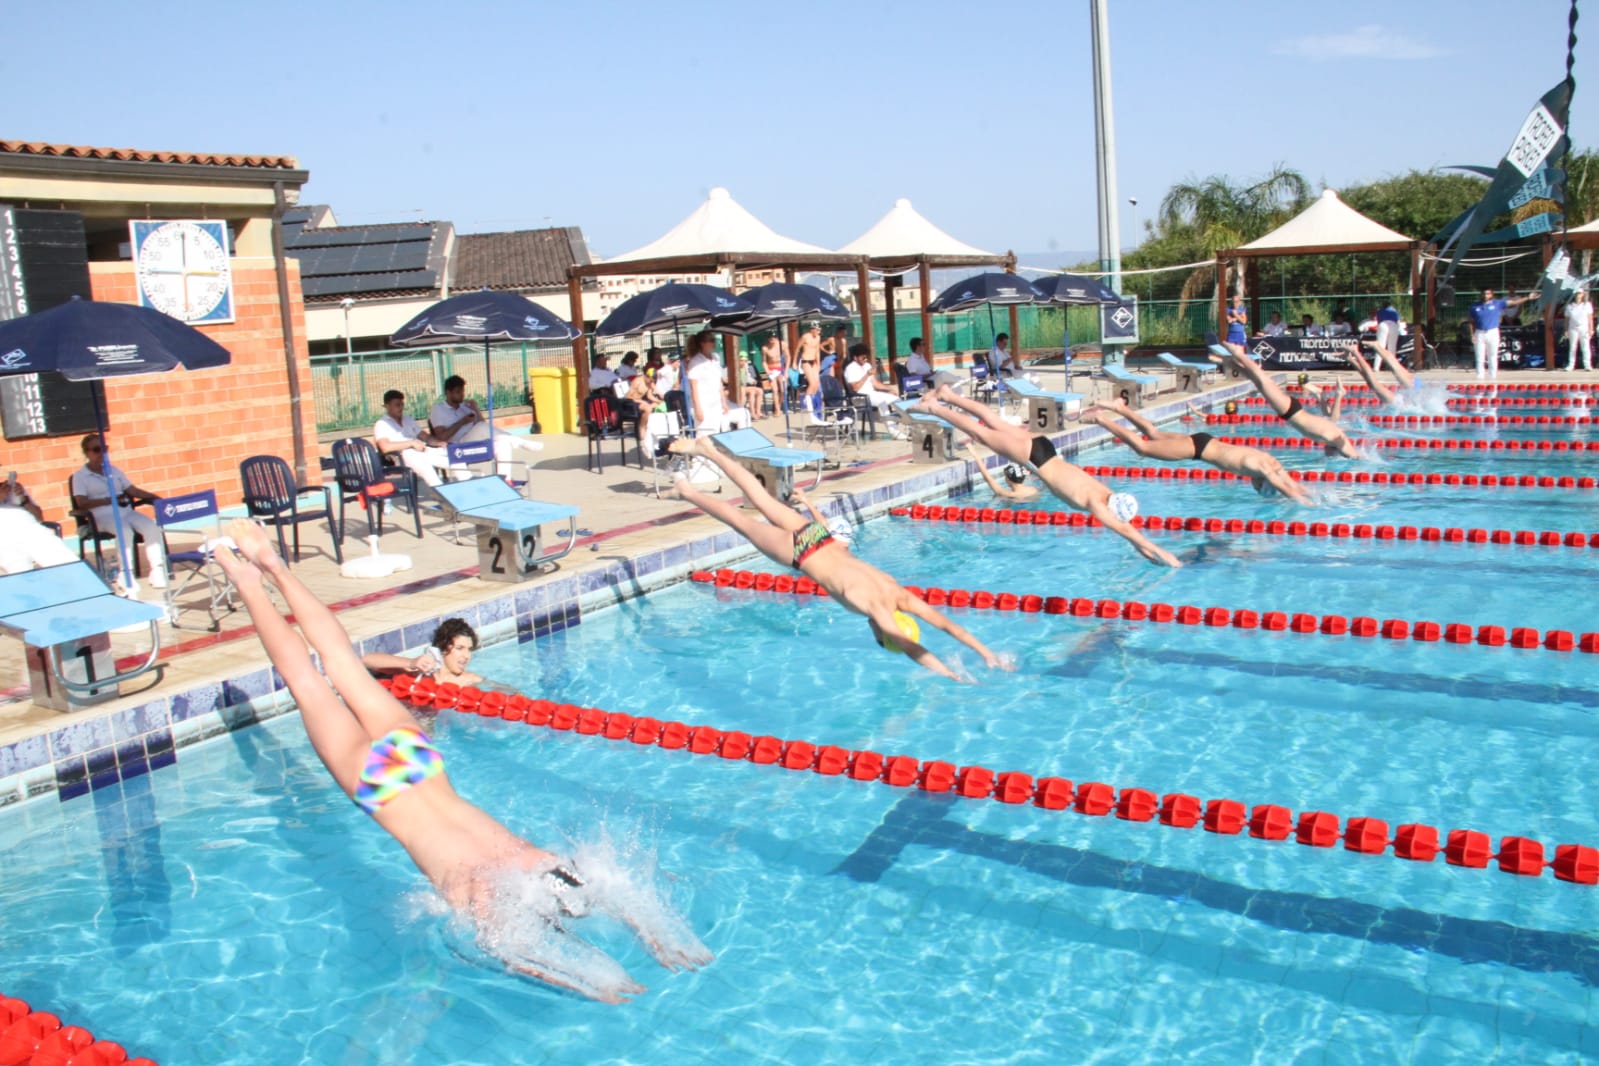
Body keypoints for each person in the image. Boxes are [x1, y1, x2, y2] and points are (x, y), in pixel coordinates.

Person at [212, 519, 712, 1003]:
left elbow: (611, 891)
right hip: (382, 787)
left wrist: (654, 934)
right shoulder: (490, 895)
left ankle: (273, 566)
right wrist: (598, 983)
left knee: (341, 660)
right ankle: (248, 583)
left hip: (420, 763)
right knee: (307, 681)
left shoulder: (538, 861)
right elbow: (521, 957)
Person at [666, 437, 1010, 681]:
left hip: (821, 536)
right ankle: (687, 490)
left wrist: (986, 652)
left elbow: (948, 625)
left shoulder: (898, 593)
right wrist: (950, 675)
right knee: (739, 520)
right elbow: (912, 648)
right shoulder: (876, 609)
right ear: (883, 633)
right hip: (801, 552)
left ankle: (707, 449)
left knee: (758, 496)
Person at [910, 385, 1180, 567]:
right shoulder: (1097, 505)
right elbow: (1127, 531)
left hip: (1046, 448)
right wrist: (1166, 555)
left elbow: (1129, 535)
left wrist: (1147, 553)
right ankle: (934, 407)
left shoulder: (1101, 491)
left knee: (993, 422)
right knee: (982, 434)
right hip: (1034, 458)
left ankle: (948, 395)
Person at [1083, 399, 1311, 503]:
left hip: (1206, 441)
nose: (1253, 485)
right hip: (1198, 449)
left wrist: (1307, 493)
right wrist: (1304, 504)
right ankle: (1101, 419)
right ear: (1261, 482)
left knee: (1153, 433)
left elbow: (1289, 483)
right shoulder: (1261, 468)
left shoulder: (1271, 462)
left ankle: (1121, 408)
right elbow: (1285, 488)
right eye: (1258, 487)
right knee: (1142, 447)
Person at [1213, 341, 1360, 458]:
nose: (1327, 453)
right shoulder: (1337, 438)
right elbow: (1353, 455)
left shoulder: (1331, 434)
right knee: (1263, 381)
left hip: (1292, 411)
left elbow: (1333, 420)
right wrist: (1358, 458)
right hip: (1291, 412)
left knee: (1259, 382)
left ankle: (1229, 362)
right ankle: (1239, 353)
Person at [70, 434, 168, 587]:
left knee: (150, 526)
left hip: (124, 510)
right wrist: (107, 500)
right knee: (124, 531)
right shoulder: (80, 476)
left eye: (104, 449)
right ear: (87, 453)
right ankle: (125, 573)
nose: (101, 453)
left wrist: (156, 498)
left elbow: (132, 490)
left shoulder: (113, 470)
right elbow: (81, 503)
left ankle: (157, 570)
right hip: (101, 515)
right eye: (96, 450)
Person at [429, 376, 545, 480]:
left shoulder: (464, 407)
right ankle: (520, 442)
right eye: (458, 392)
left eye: (463, 391)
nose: (462, 395)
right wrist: (462, 422)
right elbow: (441, 437)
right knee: (481, 428)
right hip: (457, 445)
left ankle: (504, 479)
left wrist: (475, 408)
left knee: (503, 443)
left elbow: (485, 428)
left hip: (474, 442)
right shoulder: (438, 409)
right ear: (448, 392)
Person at [363, 617, 485, 687]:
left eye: (469, 649)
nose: (467, 655)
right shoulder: (417, 673)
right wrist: (411, 662)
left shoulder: (471, 680)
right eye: (459, 648)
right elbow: (366, 660)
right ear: (442, 648)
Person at [374, 390, 451, 488]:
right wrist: (411, 443)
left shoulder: (408, 420)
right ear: (387, 406)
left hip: (421, 451)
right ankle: (441, 492)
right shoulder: (382, 424)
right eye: (397, 405)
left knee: (452, 458)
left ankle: (466, 485)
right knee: (428, 470)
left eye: (402, 404)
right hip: (401, 456)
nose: (401, 408)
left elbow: (424, 436)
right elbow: (385, 447)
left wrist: (438, 443)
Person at [0, 475, 75, 574]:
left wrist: (24, 500)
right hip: (5, 540)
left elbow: (39, 517)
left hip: (31, 531)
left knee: (64, 563)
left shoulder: (9, 488)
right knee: (19, 571)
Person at [685, 331, 750, 432]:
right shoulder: (695, 362)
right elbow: (694, 388)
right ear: (702, 343)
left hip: (716, 402)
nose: (714, 342)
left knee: (742, 413)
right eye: (711, 340)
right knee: (706, 433)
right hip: (703, 403)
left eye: (714, 340)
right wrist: (698, 409)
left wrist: (724, 402)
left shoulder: (716, 358)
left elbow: (718, 382)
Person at [1469, 288, 1535, 381]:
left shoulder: (1498, 304)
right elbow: (1471, 322)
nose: (1485, 296)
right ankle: (1480, 377)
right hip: (1479, 332)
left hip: (1492, 332)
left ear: (1492, 295)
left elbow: (1514, 303)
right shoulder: (1474, 306)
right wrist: (1472, 334)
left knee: (1493, 355)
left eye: (1488, 294)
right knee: (1480, 356)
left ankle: (1492, 376)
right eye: (1484, 294)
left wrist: (1527, 298)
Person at [844, 343, 903, 430]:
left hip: (871, 394)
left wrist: (889, 389)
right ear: (855, 358)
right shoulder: (850, 368)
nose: (865, 359)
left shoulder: (867, 365)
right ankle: (893, 429)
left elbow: (875, 384)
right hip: (859, 397)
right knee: (883, 402)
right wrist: (866, 375)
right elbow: (855, 388)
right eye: (863, 358)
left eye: (866, 357)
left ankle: (896, 426)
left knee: (897, 400)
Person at [962, 441, 1039, 503]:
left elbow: (988, 479)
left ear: (1009, 479)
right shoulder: (1033, 490)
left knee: (997, 499)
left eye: (1005, 476)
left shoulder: (1009, 494)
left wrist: (975, 455)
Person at [794, 324, 823, 408]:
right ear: (812, 329)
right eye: (817, 330)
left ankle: (812, 400)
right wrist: (794, 362)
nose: (818, 332)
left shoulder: (818, 337)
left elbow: (817, 351)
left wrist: (818, 363)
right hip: (805, 360)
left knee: (817, 384)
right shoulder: (805, 337)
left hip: (813, 361)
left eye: (819, 330)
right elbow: (797, 349)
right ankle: (806, 402)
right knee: (812, 383)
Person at [1565, 290, 1594, 372]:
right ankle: (1571, 365)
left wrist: (1591, 329)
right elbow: (1567, 319)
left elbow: (1590, 318)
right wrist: (1566, 330)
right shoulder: (1570, 306)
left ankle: (1587, 365)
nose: (1578, 295)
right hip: (1573, 328)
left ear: (1582, 295)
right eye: (1577, 293)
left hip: (1584, 328)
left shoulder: (1587, 305)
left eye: (1580, 293)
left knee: (1585, 347)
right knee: (1573, 347)